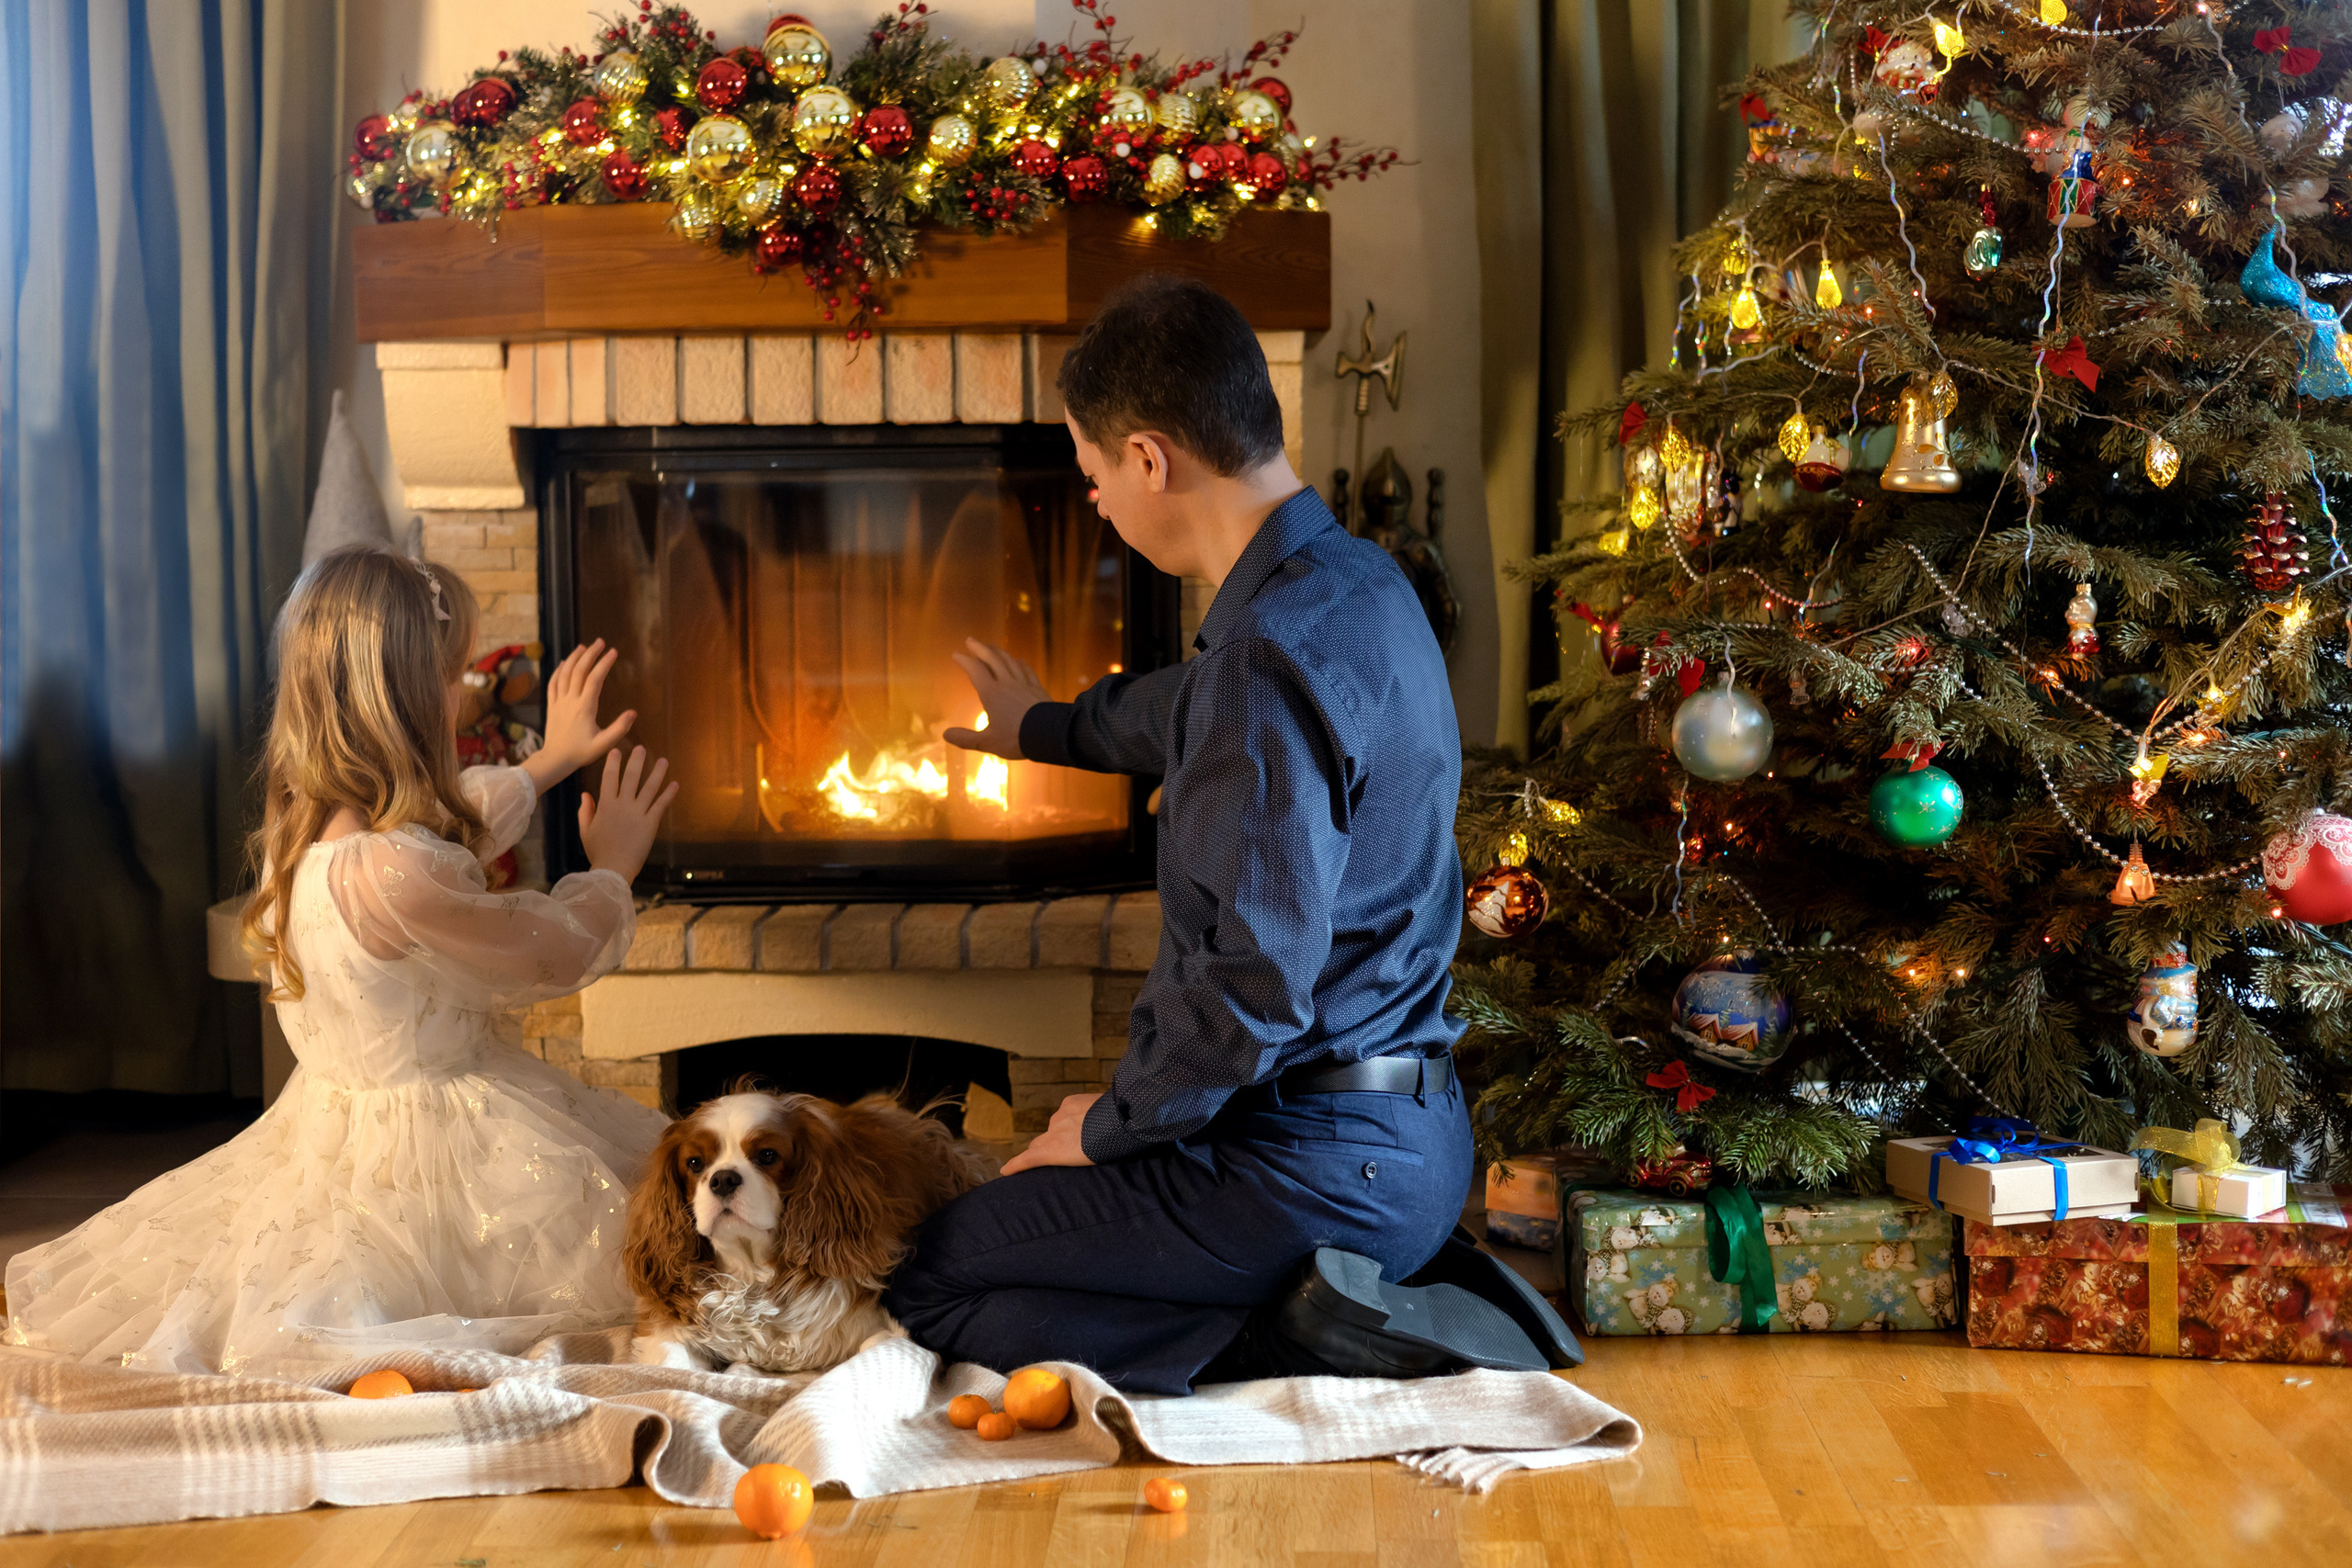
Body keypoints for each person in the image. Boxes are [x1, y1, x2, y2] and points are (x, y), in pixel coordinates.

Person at [883, 276, 1579, 1393]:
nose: (1096, 503)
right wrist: (1043, 728)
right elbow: (1192, 707)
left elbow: (1253, 981)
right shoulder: (1354, 582)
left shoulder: (1258, 658)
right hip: (1411, 1137)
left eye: (1095, 475)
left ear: (1149, 459)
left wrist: (1112, 1128)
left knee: (933, 1277)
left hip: (1312, 1169)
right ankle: (1358, 1289)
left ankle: (1310, 1332)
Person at [3, 548, 678, 1374]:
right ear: (409, 696)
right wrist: (612, 867)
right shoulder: (397, 872)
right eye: (456, 674)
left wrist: (549, 763)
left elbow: (455, 822)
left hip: (327, 1123)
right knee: (646, 1234)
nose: (465, 692)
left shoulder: (307, 838)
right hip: (438, 1151)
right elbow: (551, 949)